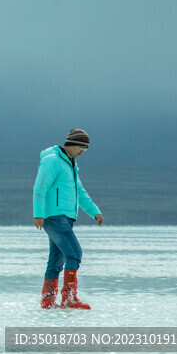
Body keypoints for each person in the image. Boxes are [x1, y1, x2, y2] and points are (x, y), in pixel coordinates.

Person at [32, 129, 104, 310]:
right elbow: (40, 187)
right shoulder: (53, 160)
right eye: (81, 147)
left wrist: (94, 211)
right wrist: (38, 213)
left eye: (86, 149)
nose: (83, 152)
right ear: (71, 143)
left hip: (65, 217)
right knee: (74, 254)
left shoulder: (71, 164)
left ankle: (48, 302)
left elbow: (80, 192)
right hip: (54, 217)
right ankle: (69, 298)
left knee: (56, 261)